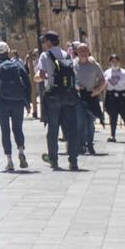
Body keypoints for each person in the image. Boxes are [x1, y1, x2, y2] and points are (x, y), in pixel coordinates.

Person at [35, 32, 81, 172]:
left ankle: (54, 159)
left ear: (49, 42)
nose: (44, 44)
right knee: (70, 129)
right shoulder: (67, 54)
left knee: (53, 129)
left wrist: (37, 77)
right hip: (68, 96)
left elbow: (41, 75)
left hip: (53, 96)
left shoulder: (45, 55)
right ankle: (73, 161)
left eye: (44, 41)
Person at [0, 42, 30, 170]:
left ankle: (9, 161)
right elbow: (26, 81)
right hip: (17, 102)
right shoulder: (16, 64)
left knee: (5, 131)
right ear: (8, 51)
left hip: (1, 103)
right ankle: (21, 151)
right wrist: (27, 102)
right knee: (18, 128)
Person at [73, 42, 104, 157]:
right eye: (81, 51)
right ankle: (81, 145)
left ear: (88, 52)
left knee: (90, 123)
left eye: (85, 50)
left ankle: (90, 144)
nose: (83, 53)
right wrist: (76, 86)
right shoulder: (73, 65)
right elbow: (70, 79)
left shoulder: (94, 65)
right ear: (77, 52)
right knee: (80, 122)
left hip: (91, 96)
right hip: (79, 97)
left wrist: (98, 90)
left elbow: (102, 80)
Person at [102, 54, 125, 142]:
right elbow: (104, 84)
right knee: (112, 117)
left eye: (116, 61)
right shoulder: (107, 72)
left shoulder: (124, 73)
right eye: (112, 61)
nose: (114, 63)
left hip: (122, 96)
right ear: (110, 62)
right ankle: (112, 135)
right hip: (111, 97)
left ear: (119, 62)